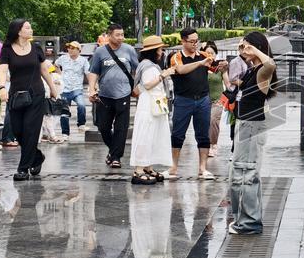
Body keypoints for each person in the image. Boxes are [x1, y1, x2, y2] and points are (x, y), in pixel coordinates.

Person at [227, 32, 277, 235]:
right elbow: (237, 89)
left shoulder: (262, 71)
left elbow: (271, 65)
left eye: (246, 47)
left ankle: (249, 223)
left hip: (251, 127)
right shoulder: (251, 70)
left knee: (246, 173)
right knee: (239, 173)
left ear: (257, 48)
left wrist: (255, 49)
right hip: (243, 123)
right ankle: (244, 219)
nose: (243, 51)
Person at [0, 19, 59, 181]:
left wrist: (53, 89)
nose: (30, 30)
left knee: (31, 131)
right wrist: (2, 87)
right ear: (18, 31)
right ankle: (37, 157)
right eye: (27, 27)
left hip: (36, 95)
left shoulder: (36, 48)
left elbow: (44, 70)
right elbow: (3, 70)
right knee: (18, 130)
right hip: (16, 96)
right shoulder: (7, 49)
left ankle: (23, 169)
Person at [168, 28, 224, 179]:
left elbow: (214, 68)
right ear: (183, 41)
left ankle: (203, 168)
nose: (195, 44)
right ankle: (173, 167)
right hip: (183, 99)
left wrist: (222, 66)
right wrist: (200, 63)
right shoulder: (175, 56)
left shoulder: (205, 55)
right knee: (178, 134)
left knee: (203, 135)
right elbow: (180, 69)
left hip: (203, 99)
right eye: (192, 41)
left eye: (197, 41)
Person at [87, 24, 138, 169]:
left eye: (122, 34)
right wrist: (91, 89)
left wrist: (137, 87)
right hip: (105, 95)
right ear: (109, 35)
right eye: (117, 35)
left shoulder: (129, 50)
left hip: (124, 94)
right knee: (103, 127)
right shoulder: (100, 52)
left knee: (121, 128)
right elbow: (93, 72)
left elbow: (137, 69)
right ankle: (113, 150)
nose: (121, 37)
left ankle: (116, 157)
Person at [130, 35, 176, 185]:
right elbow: (148, 85)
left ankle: (147, 167)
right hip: (149, 104)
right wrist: (164, 75)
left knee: (152, 135)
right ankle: (138, 169)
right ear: (154, 50)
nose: (162, 52)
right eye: (160, 49)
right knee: (145, 135)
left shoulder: (147, 64)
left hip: (154, 104)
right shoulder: (149, 66)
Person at [54, 41, 89, 137]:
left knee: (81, 105)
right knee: (64, 112)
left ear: (79, 50)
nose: (70, 49)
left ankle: (81, 124)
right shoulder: (63, 58)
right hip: (64, 89)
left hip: (77, 88)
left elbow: (88, 73)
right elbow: (56, 65)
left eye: (73, 48)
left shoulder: (83, 61)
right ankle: (65, 133)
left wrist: (93, 85)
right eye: (69, 47)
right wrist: (59, 75)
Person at [202, 41, 228, 158]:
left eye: (212, 53)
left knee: (213, 122)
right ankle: (206, 145)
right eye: (207, 53)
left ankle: (214, 145)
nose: (210, 55)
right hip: (203, 100)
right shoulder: (201, 66)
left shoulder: (220, 67)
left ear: (216, 54)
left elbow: (227, 83)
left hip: (218, 99)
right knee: (204, 123)